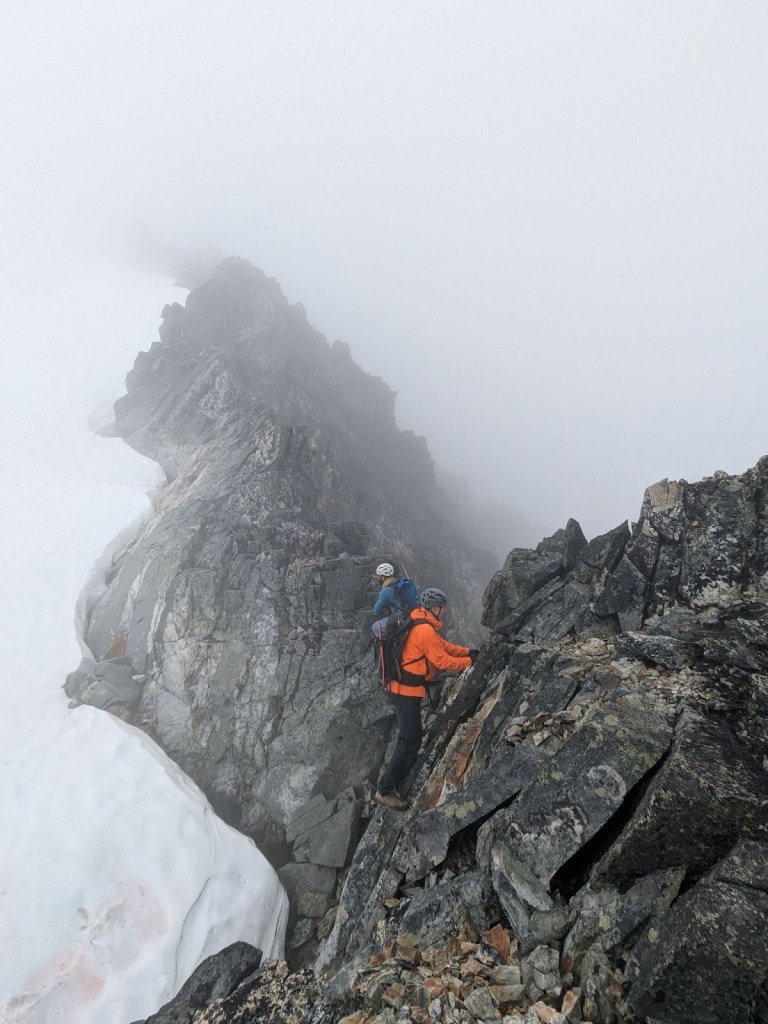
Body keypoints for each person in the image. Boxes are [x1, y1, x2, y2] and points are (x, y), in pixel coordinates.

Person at [375, 587, 479, 810]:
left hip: (405, 689)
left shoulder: (422, 624)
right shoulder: (425, 631)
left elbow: (445, 648)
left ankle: (391, 782)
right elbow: (442, 661)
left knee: (410, 738)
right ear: (435, 608)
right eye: (443, 608)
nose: (445, 612)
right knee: (410, 740)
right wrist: (470, 662)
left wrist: (468, 652)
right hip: (405, 691)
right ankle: (384, 790)